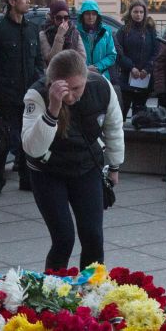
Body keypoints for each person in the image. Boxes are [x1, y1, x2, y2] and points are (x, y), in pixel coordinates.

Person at [22, 49, 124, 271]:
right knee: (63, 239)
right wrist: (53, 108)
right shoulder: (36, 95)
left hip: (86, 166)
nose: (72, 96)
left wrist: (114, 166)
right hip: (48, 171)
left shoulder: (101, 87)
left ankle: (93, 293)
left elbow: (114, 127)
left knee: (93, 237)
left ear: (87, 77)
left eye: (77, 88)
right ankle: (52, 294)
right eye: (65, 89)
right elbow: (32, 148)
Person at [0, 0, 41, 197]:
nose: (27, 1)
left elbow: (38, 65)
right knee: (3, 141)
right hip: (6, 97)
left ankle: (27, 179)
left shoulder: (32, 28)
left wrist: (40, 88)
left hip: (29, 96)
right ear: (12, 2)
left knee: (28, 139)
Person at [112, 1, 159, 116]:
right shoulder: (123, 31)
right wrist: (131, 67)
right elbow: (118, 53)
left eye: (141, 12)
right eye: (136, 12)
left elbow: (156, 52)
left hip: (144, 79)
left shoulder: (150, 31)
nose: (138, 15)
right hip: (126, 78)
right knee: (121, 113)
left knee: (139, 115)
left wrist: (147, 69)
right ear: (130, 13)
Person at [74, 0, 117, 79]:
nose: (90, 17)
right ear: (82, 15)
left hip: (102, 76)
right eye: (87, 14)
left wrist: (97, 67)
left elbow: (112, 55)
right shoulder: (76, 33)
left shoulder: (105, 32)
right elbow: (72, 56)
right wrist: (85, 68)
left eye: (93, 14)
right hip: (82, 77)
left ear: (98, 16)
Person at [40, 0, 83, 65]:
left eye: (66, 18)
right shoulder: (44, 34)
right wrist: (59, 35)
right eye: (58, 18)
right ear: (52, 18)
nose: (63, 21)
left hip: (72, 71)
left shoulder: (74, 32)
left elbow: (82, 57)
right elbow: (51, 61)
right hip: (54, 73)